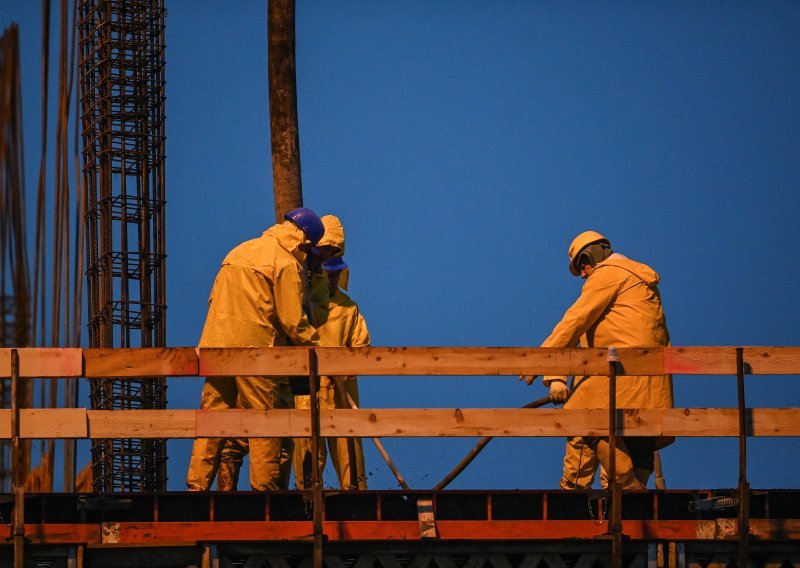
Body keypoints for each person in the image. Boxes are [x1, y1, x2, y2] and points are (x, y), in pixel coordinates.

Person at [186, 207, 330, 491]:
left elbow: (213, 299)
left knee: (212, 418)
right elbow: (292, 321)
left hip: (215, 347)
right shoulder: (285, 263)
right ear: (304, 241)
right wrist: (318, 347)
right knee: (264, 421)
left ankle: (196, 486)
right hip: (255, 352)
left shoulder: (239, 251)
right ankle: (265, 491)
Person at [521, 231, 673, 490]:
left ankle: (592, 491)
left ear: (595, 252)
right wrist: (556, 377)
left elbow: (575, 320)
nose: (582, 272)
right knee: (631, 438)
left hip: (615, 375)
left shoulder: (609, 273)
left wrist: (542, 362)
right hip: (647, 385)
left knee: (581, 419)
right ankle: (625, 492)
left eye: (583, 263)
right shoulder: (641, 281)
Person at [214, 214, 347, 491]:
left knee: (281, 433)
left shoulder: (319, 279)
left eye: (331, 254)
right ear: (310, 243)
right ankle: (242, 492)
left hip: (284, 362)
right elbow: (286, 317)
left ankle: (274, 491)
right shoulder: (285, 263)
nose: (325, 257)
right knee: (243, 430)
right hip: (262, 352)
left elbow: (314, 316)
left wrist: (305, 313)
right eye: (324, 250)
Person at [294, 254, 370, 490]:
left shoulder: (349, 308)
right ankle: (306, 495)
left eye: (337, 273)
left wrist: (347, 368)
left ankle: (355, 494)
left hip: (340, 393)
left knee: (348, 450)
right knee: (307, 447)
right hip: (309, 391)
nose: (334, 278)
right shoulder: (302, 306)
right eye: (330, 273)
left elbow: (362, 348)